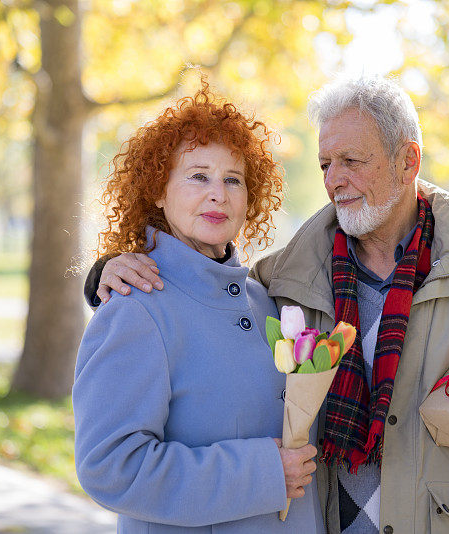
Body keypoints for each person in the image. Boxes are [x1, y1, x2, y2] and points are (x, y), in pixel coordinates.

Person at [86, 76, 449, 534]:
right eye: (325, 163)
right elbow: (194, 301)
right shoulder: (287, 280)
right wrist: (106, 274)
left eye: (352, 160)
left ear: (408, 158)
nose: (334, 179)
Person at [73, 85, 325, 534]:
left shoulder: (266, 301)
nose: (218, 195)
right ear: (158, 191)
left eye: (233, 179)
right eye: (197, 176)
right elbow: (111, 466)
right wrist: (264, 474)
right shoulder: (135, 308)